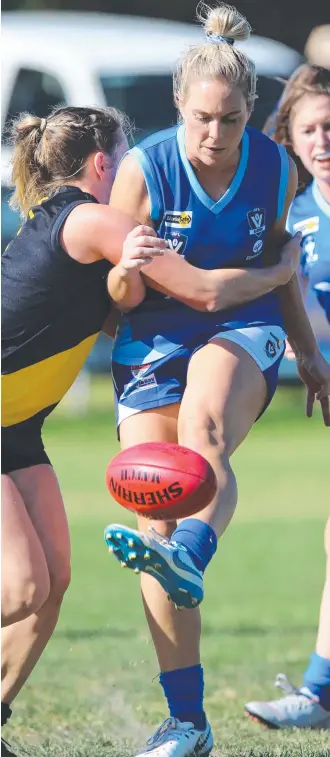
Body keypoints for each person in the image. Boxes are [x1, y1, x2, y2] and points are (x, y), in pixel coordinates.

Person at [1, 102, 300, 755]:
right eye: (127, 162)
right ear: (104, 164)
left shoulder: (75, 228)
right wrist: (279, 274)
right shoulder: (97, 216)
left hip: (17, 430)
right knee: (22, 584)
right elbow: (200, 291)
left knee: (51, 586)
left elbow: (117, 311)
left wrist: (128, 280)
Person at [104, 4, 330, 756]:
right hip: (154, 338)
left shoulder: (274, 167)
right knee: (149, 513)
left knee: (201, 439)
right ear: (179, 108)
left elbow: (282, 281)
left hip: (245, 327)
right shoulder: (144, 171)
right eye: (202, 118)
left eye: (230, 119)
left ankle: (193, 552)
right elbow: (138, 296)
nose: (214, 135)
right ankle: (187, 721)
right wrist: (122, 281)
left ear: (249, 113)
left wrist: (312, 356)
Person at [245, 64, 330, 730]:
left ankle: (319, 693)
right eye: (310, 128)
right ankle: (320, 692)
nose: (323, 140)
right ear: (291, 138)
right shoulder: (289, 219)